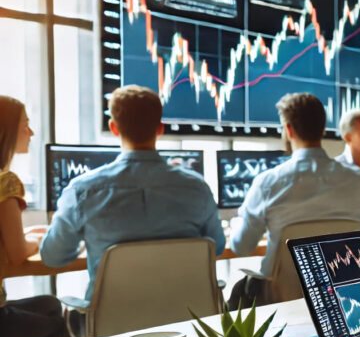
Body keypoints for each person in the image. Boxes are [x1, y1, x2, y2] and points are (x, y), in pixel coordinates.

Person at [41, 86, 225, 318]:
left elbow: (53, 257)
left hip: (113, 330)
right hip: (186, 322)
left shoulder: (82, 191)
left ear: (114, 128)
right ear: (160, 128)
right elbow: (216, 247)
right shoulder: (197, 187)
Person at [230, 93, 360, 283]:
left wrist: (235, 224)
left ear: (289, 130)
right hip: (341, 295)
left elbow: (241, 246)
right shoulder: (359, 181)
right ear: (323, 129)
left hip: (281, 299)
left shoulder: (268, 183)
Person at [0, 96, 65, 337]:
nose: (31, 132)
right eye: (25, 125)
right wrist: (37, 241)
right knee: (58, 324)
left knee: (50, 304)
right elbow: (17, 254)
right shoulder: (6, 182)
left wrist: (26, 234)